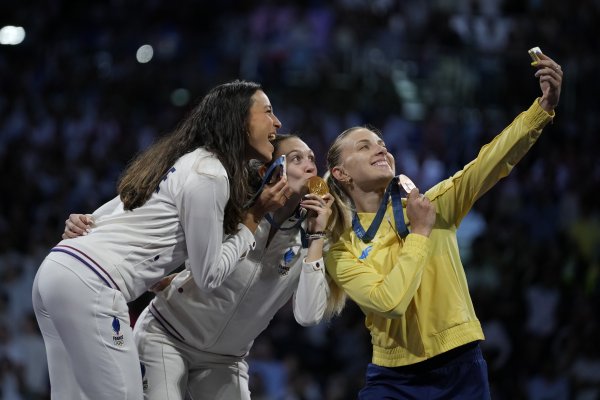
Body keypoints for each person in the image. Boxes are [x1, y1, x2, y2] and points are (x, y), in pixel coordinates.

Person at [323, 52, 563, 399]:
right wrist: (420, 232)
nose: (381, 150)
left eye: (382, 144)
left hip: (460, 369)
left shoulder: (430, 205)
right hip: (392, 381)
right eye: (365, 146)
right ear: (342, 174)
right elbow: (388, 302)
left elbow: (488, 164)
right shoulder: (341, 246)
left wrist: (541, 110)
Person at [32, 80, 289, 400]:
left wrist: (84, 221)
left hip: (56, 270)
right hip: (91, 284)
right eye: (267, 112)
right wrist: (251, 221)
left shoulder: (181, 160)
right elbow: (208, 276)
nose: (277, 122)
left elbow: (110, 214)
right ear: (239, 120)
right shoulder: (210, 174)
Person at [62, 134, 346, 400]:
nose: (309, 165)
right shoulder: (229, 203)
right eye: (296, 158)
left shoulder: (311, 238)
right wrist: (92, 222)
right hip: (167, 335)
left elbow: (308, 315)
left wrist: (316, 236)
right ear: (269, 171)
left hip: (227, 360)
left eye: (311, 157)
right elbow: (150, 211)